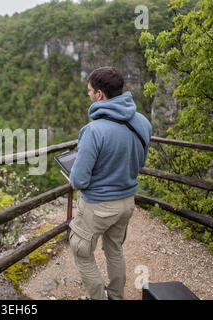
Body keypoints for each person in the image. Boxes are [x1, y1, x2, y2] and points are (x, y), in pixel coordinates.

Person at [68, 66, 152, 300]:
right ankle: (116, 296)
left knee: (81, 250)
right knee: (114, 249)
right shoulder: (142, 123)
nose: (88, 94)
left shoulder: (93, 131)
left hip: (98, 206)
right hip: (126, 202)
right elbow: (139, 162)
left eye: (89, 91)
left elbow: (78, 180)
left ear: (100, 95)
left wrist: (75, 174)